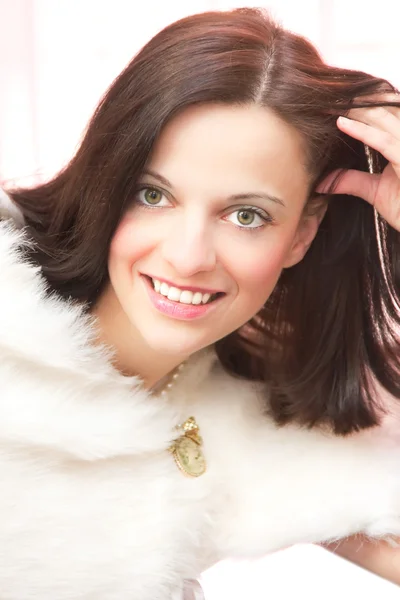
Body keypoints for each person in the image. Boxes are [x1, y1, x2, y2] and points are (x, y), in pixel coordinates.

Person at [1, 6, 400, 598]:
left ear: (302, 234)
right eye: (152, 194)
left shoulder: (261, 420)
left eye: (246, 215)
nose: (189, 258)